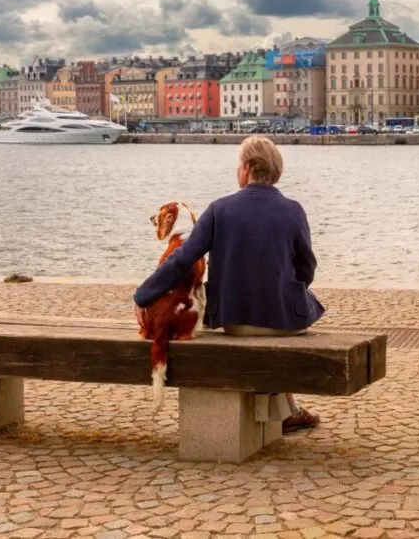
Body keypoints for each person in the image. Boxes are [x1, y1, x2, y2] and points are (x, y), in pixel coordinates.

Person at [133, 136, 325, 433]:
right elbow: (307, 268)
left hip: (236, 320)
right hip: (286, 320)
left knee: (261, 321)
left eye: (239, 165)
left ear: (247, 169)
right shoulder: (294, 210)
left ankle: (285, 413)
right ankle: (286, 413)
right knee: (304, 297)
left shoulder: (219, 209)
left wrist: (144, 294)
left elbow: (183, 259)